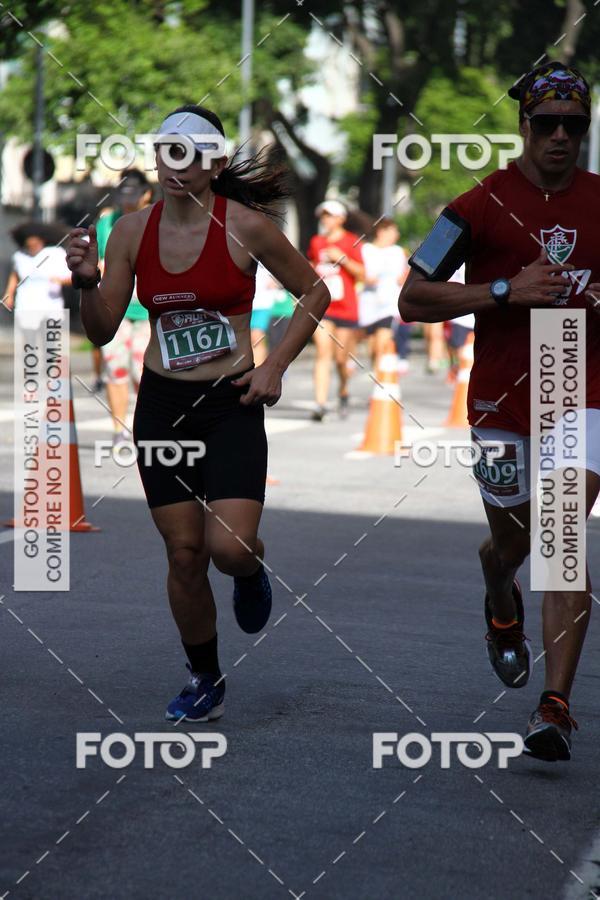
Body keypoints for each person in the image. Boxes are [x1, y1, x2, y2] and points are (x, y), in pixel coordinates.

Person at [66, 104, 330, 723]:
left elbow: (316, 291)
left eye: (189, 154)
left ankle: (250, 569)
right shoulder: (131, 232)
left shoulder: (247, 227)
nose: (175, 165)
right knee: (184, 554)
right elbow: (101, 332)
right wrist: (86, 281)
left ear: (214, 163)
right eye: (167, 152)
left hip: (231, 403)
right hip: (164, 407)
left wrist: (273, 366)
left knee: (229, 550)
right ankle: (204, 678)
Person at [400, 62, 600, 762]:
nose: (560, 137)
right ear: (523, 125)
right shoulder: (476, 205)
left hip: (578, 379)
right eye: (546, 124)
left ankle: (555, 706)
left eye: (574, 125)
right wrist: (504, 290)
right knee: (511, 545)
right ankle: (499, 595)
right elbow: (412, 299)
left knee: (562, 536)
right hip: (501, 396)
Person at [96, 170, 154, 444]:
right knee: (115, 368)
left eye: (133, 194)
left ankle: (147, 427)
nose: (127, 200)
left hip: (149, 311)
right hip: (114, 310)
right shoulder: (107, 222)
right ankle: (119, 430)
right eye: (123, 193)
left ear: (146, 194)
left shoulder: (158, 220)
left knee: (144, 373)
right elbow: (98, 260)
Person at [307, 200, 364, 421]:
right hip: (323, 306)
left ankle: (343, 391)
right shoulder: (317, 241)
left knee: (341, 359)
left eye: (329, 215)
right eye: (323, 216)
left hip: (346, 308)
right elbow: (311, 267)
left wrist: (342, 259)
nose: (326, 220)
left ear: (341, 218)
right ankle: (320, 404)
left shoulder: (351, 241)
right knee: (323, 352)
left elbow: (363, 274)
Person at [359, 217, 410, 369]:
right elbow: (359, 273)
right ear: (381, 232)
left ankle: (379, 374)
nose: (397, 235)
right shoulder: (366, 250)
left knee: (383, 341)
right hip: (369, 303)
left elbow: (403, 276)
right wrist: (366, 279)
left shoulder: (398, 252)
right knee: (373, 347)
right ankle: (376, 369)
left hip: (389, 304)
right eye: (393, 231)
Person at [4, 223, 71, 330]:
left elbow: (72, 278)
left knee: (51, 339)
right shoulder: (20, 256)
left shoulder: (55, 253)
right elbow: (15, 275)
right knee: (29, 339)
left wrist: (60, 281)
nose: (33, 246)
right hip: (26, 306)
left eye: (35, 243)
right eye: (30, 244)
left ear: (42, 241)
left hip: (51, 306)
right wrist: (9, 294)